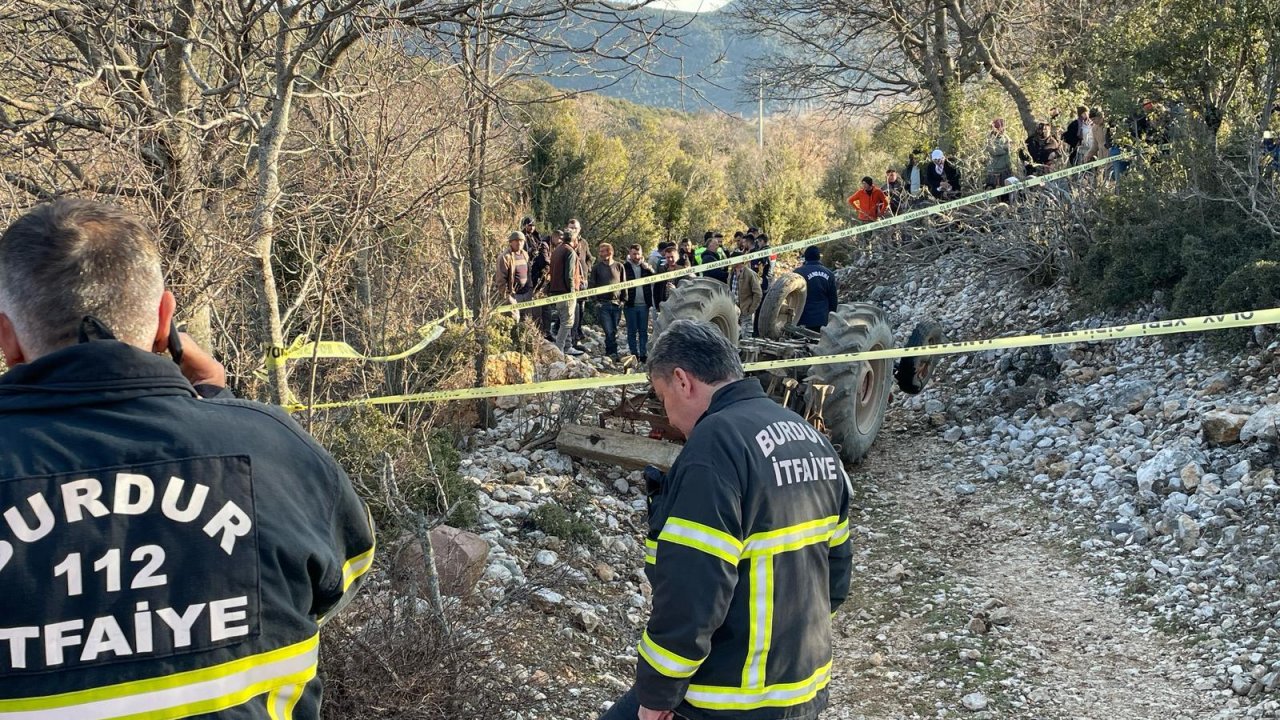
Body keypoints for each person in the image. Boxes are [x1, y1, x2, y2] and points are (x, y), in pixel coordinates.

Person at [0, 199, 375, 717]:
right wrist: (222, 419)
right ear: (164, 321)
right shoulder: (276, 452)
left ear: (7, 339)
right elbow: (333, 586)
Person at [599, 319, 852, 720]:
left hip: (730, 699)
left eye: (663, 398)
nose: (670, 416)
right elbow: (835, 578)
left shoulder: (714, 447)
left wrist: (658, 695)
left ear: (682, 381)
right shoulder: (809, 436)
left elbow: (692, 592)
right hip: (805, 687)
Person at [548, 228, 583, 355]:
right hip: (566, 292)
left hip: (556, 291)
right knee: (566, 322)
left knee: (565, 319)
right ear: (574, 240)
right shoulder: (570, 252)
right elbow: (569, 275)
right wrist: (572, 291)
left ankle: (567, 347)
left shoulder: (557, 250)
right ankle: (559, 350)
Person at [590, 242, 625, 360]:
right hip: (603, 304)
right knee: (608, 330)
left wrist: (623, 300)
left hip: (616, 303)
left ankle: (611, 351)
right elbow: (592, 286)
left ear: (610, 252)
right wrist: (596, 302)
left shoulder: (619, 266)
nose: (601, 254)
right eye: (600, 251)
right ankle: (612, 353)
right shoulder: (596, 268)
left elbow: (624, 283)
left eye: (603, 251)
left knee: (614, 330)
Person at [621, 244, 656, 362]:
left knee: (643, 331)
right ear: (629, 254)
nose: (636, 256)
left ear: (642, 254)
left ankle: (643, 354)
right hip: (630, 304)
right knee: (631, 331)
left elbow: (655, 277)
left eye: (638, 254)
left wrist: (649, 268)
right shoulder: (624, 267)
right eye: (634, 254)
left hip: (644, 304)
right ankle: (633, 354)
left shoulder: (645, 267)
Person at [796, 245, 838, 331]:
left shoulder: (798, 273)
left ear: (806, 258)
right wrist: (831, 317)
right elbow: (833, 299)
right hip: (822, 321)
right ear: (819, 257)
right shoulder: (829, 274)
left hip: (802, 320)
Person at [495, 230, 532, 320]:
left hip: (526, 293)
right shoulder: (505, 257)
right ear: (510, 242)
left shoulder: (525, 254)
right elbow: (501, 279)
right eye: (516, 240)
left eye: (521, 240)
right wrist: (507, 297)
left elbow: (528, 272)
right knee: (514, 320)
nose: (518, 243)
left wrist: (530, 288)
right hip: (514, 296)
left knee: (526, 320)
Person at [568, 218, 591, 351]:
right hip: (571, 283)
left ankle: (576, 335)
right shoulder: (566, 243)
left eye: (575, 228)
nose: (572, 230)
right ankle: (571, 340)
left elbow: (589, 258)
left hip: (583, 282)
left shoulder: (584, 243)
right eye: (570, 228)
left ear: (579, 229)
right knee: (572, 310)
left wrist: (587, 269)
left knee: (580, 310)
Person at [729, 252, 761, 338]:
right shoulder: (731, 273)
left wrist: (752, 309)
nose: (730, 262)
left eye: (732, 260)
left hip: (746, 309)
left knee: (746, 335)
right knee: (734, 334)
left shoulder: (750, 274)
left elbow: (758, 293)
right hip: (734, 309)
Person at [984, 118, 1014, 188]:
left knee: (1006, 194)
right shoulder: (989, 138)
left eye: (1003, 128)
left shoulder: (1005, 137)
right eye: (1000, 128)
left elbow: (1012, 145)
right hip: (994, 172)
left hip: (1006, 170)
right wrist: (1006, 147)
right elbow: (994, 150)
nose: (1002, 130)